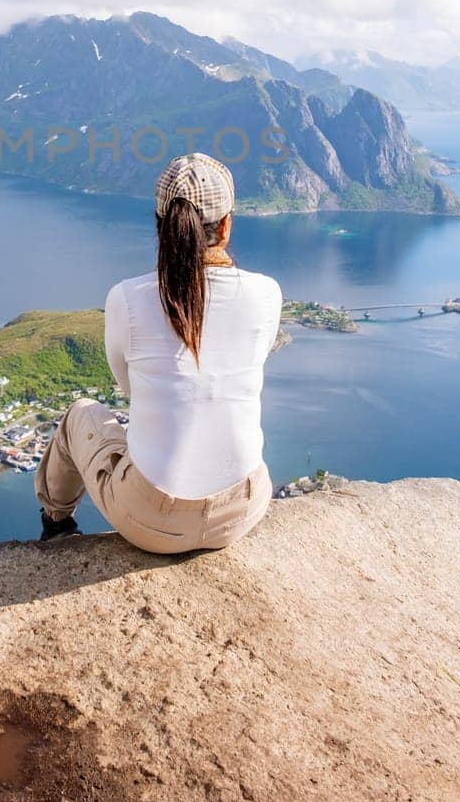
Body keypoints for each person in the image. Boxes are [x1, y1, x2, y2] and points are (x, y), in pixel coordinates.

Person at [35, 152, 282, 554]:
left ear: (160, 226)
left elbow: (129, 386)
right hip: (241, 511)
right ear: (226, 225)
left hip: (151, 523)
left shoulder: (127, 299)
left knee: (80, 414)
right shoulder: (267, 293)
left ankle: (56, 525)